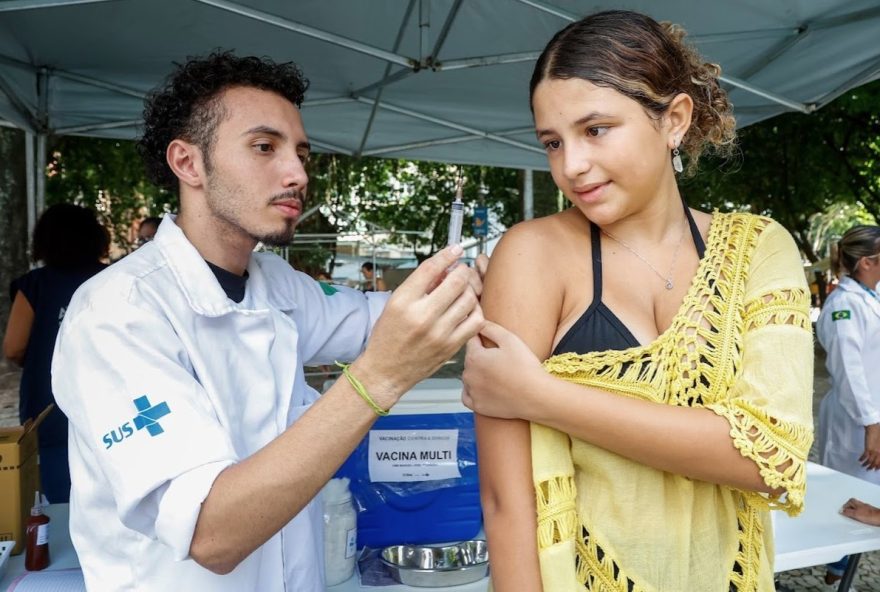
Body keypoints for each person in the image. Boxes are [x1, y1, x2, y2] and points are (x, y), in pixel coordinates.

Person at [50, 51, 484, 591]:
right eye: (264, 147)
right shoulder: (118, 313)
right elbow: (212, 532)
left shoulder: (275, 284)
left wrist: (492, 278)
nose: (298, 173)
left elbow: (388, 320)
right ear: (188, 163)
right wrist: (379, 378)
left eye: (301, 153)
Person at [461, 10, 813, 592]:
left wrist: (540, 394)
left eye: (595, 129)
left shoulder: (759, 249)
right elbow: (506, 499)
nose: (571, 166)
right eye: (553, 141)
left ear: (673, 119)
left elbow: (769, 457)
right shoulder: (532, 254)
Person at [2, 203, 109, 503]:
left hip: (48, 405)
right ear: (95, 237)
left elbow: (14, 347)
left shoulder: (35, 285)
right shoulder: (115, 278)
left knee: (60, 495)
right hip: (107, 403)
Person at [815, 225, 880, 585]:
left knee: (870, 500)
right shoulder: (844, 306)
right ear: (867, 262)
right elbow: (850, 371)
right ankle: (838, 573)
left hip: (872, 418)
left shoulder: (870, 296)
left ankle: (843, 569)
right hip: (855, 421)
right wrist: (872, 426)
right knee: (849, 498)